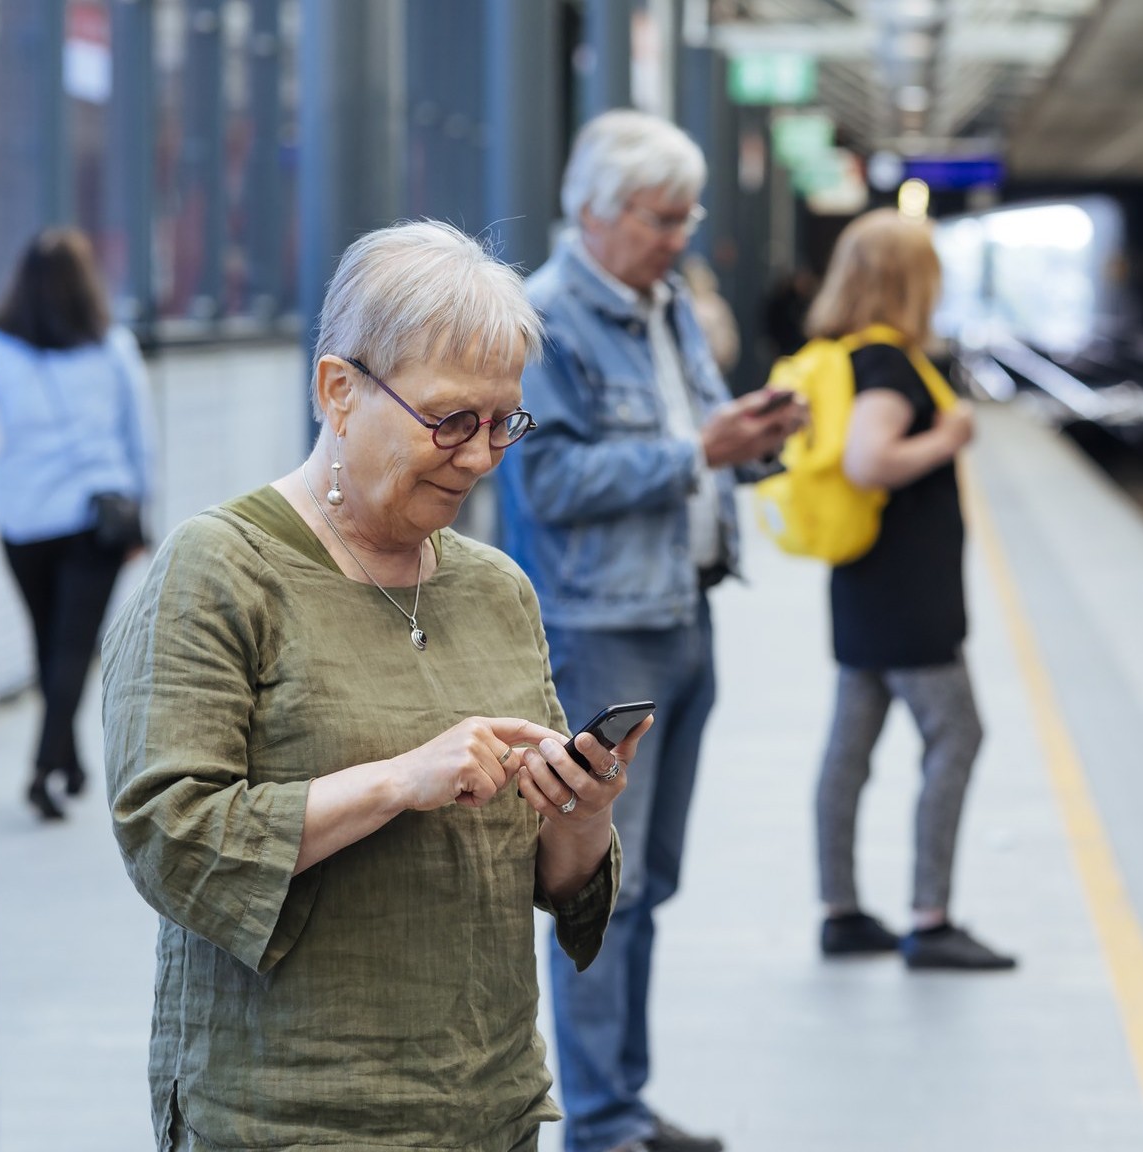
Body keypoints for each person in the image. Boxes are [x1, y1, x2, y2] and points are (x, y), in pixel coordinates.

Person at [102, 220, 642, 1152]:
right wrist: (400, 779)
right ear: (339, 391)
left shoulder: (495, 587)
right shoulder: (223, 569)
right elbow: (170, 837)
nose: (477, 456)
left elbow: (549, 877)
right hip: (291, 1116)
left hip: (488, 1104)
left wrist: (582, 812)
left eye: (501, 422)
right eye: (448, 420)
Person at [498, 109, 806, 1152]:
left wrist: (752, 442)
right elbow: (544, 483)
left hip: (681, 611)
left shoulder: (663, 306)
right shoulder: (544, 324)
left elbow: (703, 436)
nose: (681, 235)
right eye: (662, 217)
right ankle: (602, 1121)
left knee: (649, 883)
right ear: (594, 209)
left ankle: (617, 1102)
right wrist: (696, 455)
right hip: (605, 630)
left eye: (688, 216)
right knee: (602, 889)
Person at [807, 209, 1016, 971]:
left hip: (867, 584)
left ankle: (842, 911)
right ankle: (930, 920)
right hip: (907, 594)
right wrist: (949, 438)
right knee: (958, 735)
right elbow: (870, 460)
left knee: (849, 751)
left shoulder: (848, 355)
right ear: (910, 282)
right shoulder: (890, 365)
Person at [0, 227, 155, 821]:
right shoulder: (112, 346)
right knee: (71, 647)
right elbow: (141, 437)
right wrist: (145, 512)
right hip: (94, 520)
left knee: (49, 644)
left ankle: (68, 761)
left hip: (24, 521)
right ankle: (42, 770)